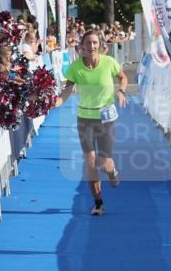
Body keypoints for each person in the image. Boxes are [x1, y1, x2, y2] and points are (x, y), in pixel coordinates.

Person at [54, 31, 128, 216]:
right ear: (82, 46)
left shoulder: (109, 62)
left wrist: (121, 91)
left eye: (95, 42)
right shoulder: (75, 67)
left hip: (106, 117)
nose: (92, 46)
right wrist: (57, 102)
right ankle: (98, 203)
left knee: (104, 163)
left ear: (100, 44)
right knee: (90, 161)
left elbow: (123, 77)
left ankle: (112, 171)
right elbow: (67, 90)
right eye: (88, 43)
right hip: (85, 118)